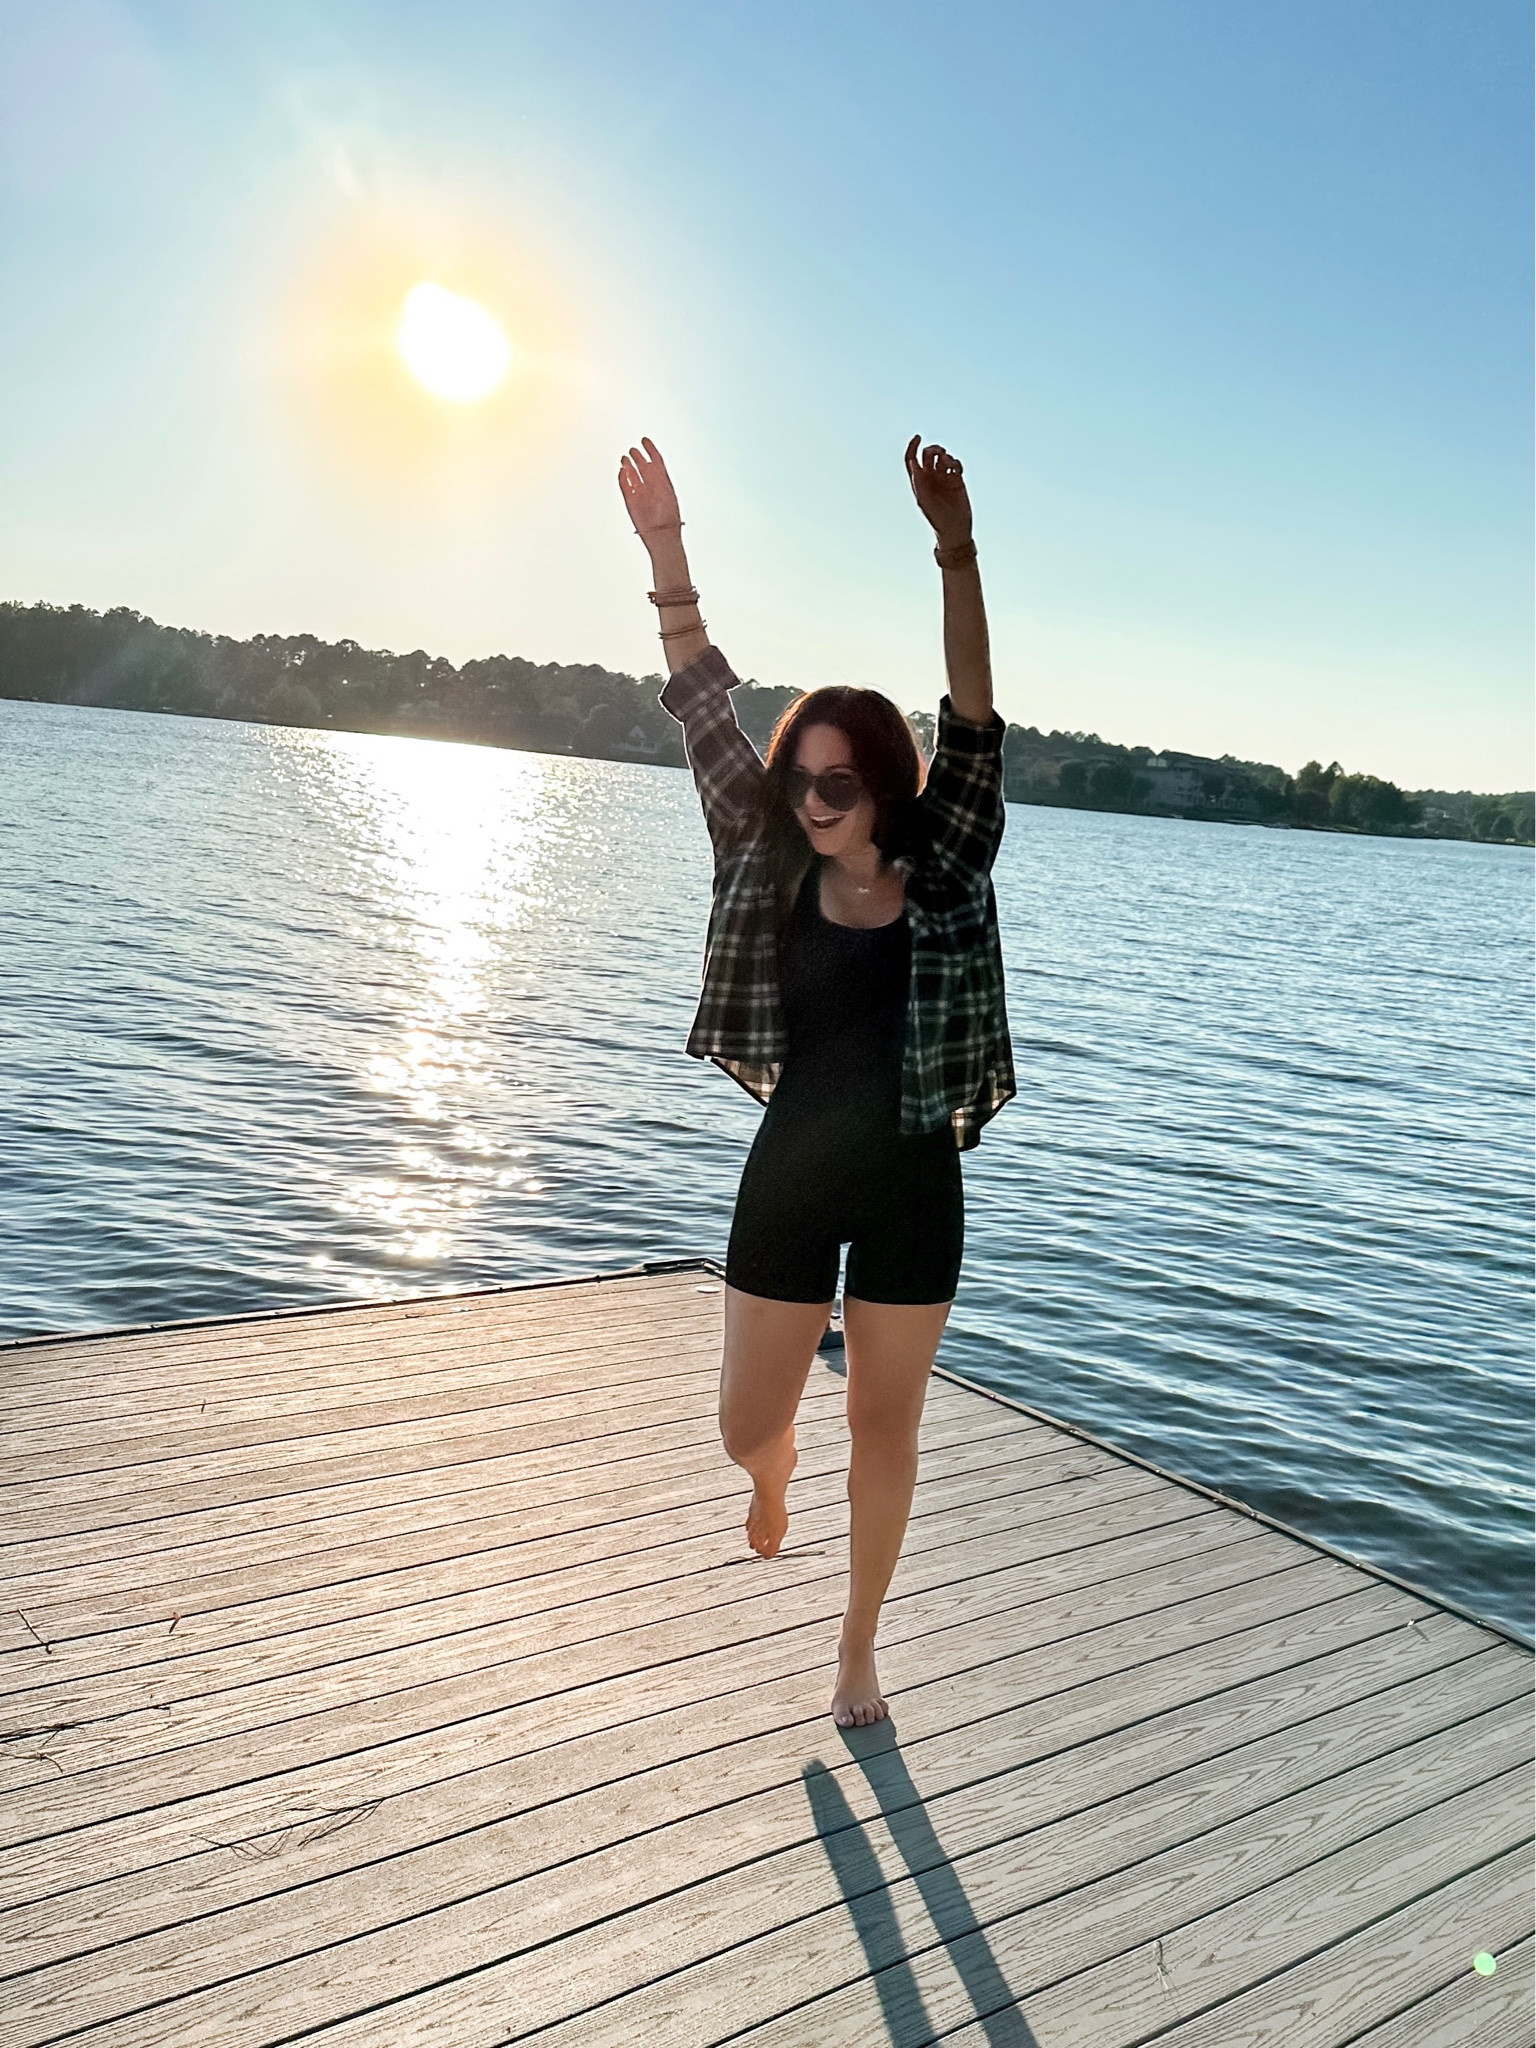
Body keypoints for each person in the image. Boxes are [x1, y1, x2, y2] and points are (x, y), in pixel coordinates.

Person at [617, 434, 1015, 1727]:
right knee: (746, 1424)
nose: (812, 799)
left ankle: (857, 1650)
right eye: (800, 779)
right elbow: (700, 700)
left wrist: (954, 547)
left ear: (889, 788)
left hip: (913, 1179)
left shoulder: (948, 861)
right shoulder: (765, 841)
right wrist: (667, 554)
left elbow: (971, 707)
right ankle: (768, 1474)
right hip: (791, 1166)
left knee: (887, 1433)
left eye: (839, 782)